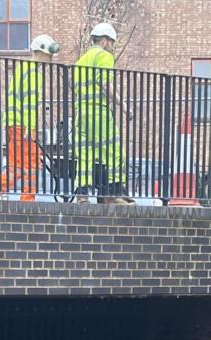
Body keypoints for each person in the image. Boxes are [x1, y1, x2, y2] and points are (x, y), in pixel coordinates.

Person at [0, 34, 60, 201]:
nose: (51, 59)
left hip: (12, 123)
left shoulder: (22, 68)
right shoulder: (34, 73)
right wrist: (30, 129)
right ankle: (27, 200)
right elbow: (30, 104)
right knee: (32, 163)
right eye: (49, 55)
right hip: (23, 125)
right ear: (41, 52)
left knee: (17, 165)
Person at [73, 22, 133, 204]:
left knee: (85, 154)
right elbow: (105, 84)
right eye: (112, 43)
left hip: (81, 112)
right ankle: (114, 193)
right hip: (98, 112)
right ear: (105, 41)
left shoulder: (81, 60)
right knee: (114, 151)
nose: (112, 47)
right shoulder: (104, 56)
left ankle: (82, 195)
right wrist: (124, 106)